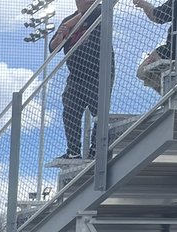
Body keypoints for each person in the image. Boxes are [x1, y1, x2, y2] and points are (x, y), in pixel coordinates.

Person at [49, 0, 108, 165]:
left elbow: (91, 13)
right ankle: (73, 151)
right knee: (70, 110)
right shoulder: (69, 19)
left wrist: (69, 24)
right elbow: (53, 47)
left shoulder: (100, 11)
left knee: (99, 112)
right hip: (77, 74)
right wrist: (62, 32)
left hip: (99, 72)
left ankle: (96, 149)